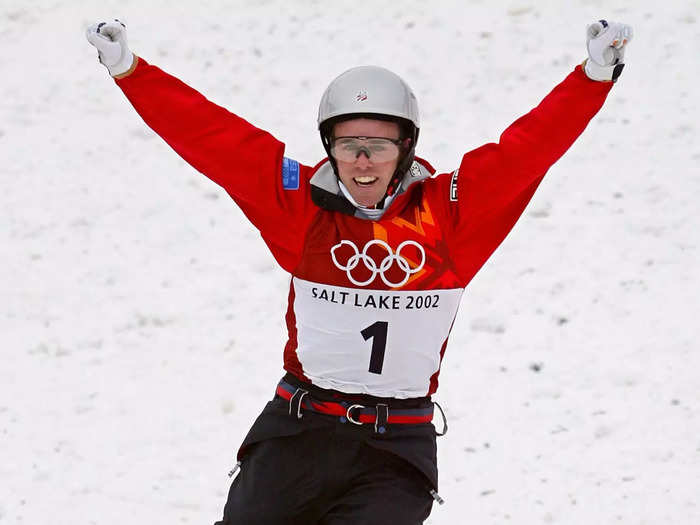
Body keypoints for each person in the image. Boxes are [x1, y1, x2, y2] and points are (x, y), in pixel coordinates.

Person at [86, 18, 633, 525]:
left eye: (378, 145)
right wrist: (132, 73)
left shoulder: (449, 218)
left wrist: (591, 79)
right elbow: (214, 137)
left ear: (406, 147)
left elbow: (528, 150)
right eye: (349, 145)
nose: (363, 160)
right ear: (330, 146)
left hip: (393, 452)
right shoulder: (300, 209)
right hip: (293, 435)